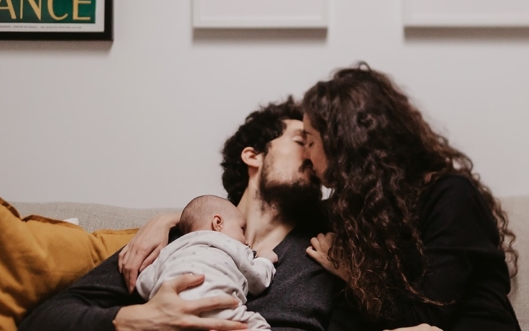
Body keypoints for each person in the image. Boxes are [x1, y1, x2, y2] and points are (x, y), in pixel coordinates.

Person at [19, 98, 336, 331]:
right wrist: (131, 319)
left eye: (317, 144)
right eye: (302, 141)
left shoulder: (328, 250)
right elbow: (42, 320)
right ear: (253, 156)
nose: (313, 153)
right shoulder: (177, 243)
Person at [300, 63, 522, 331]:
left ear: (344, 144)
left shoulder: (452, 196)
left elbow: (427, 316)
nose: (305, 155)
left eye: (310, 141)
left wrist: (352, 274)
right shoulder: (355, 215)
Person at [136, 195, 278, 330]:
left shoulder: (169, 249)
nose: (246, 241)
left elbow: (144, 283)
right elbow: (257, 280)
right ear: (218, 223)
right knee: (257, 325)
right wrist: (265, 260)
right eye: (242, 229)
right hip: (216, 308)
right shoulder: (231, 245)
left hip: (169, 312)